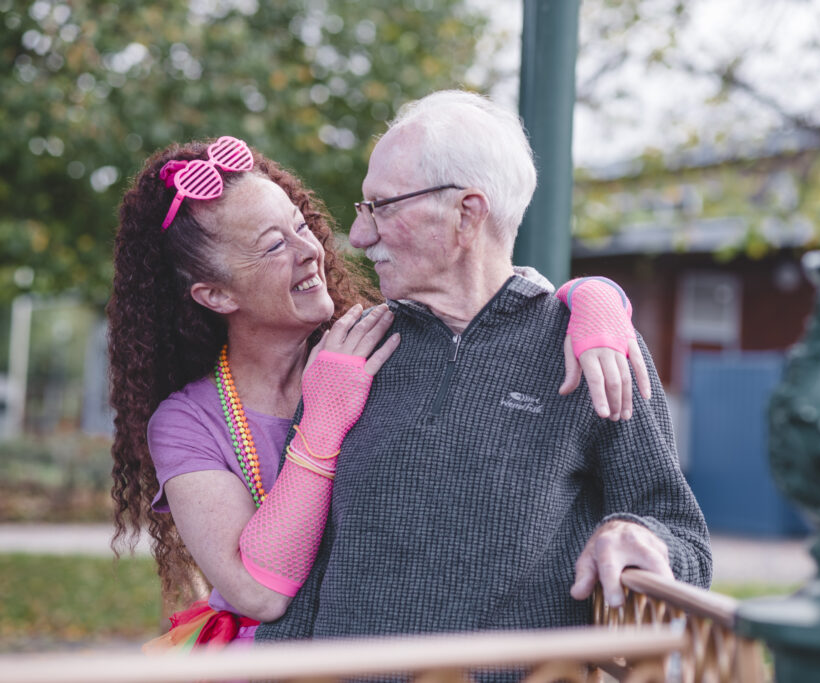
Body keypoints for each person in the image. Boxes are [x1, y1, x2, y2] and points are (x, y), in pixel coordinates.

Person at [108, 135, 645, 648]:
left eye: (300, 225)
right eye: (274, 244)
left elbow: (491, 309)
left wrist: (595, 298)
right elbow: (258, 593)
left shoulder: (383, 346)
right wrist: (323, 417)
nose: (311, 249)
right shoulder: (187, 423)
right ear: (216, 294)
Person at [256, 91, 712, 644]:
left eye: (382, 206)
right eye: (363, 208)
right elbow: (308, 564)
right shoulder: (350, 353)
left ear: (466, 214)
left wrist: (639, 536)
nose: (360, 236)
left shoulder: (595, 350)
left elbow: (682, 536)